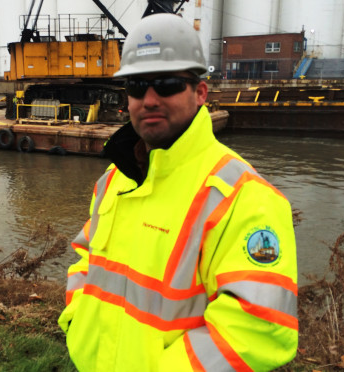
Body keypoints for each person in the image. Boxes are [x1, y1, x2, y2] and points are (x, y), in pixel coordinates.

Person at [58, 13, 298, 371]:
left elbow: (257, 328)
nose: (149, 99)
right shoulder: (115, 178)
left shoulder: (243, 198)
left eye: (167, 84)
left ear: (200, 93)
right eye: (137, 86)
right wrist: (77, 321)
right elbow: (86, 258)